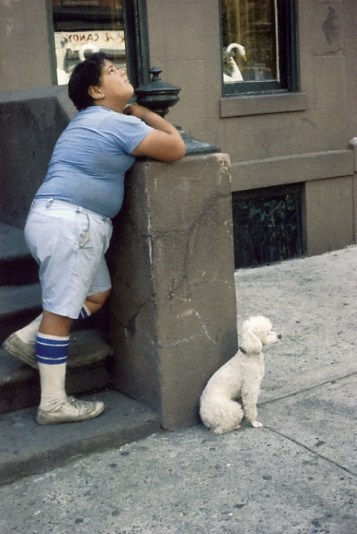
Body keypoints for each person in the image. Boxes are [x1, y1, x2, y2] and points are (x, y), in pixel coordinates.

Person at [3, 52, 185, 425]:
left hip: (60, 220)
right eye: (113, 71)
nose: (122, 72)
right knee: (60, 312)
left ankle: (29, 336)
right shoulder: (115, 122)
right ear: (97, 90)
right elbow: (175, 148)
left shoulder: (89, 121)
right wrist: (143, 113)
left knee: (95, 294)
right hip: (73, 224)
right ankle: (53, 403)